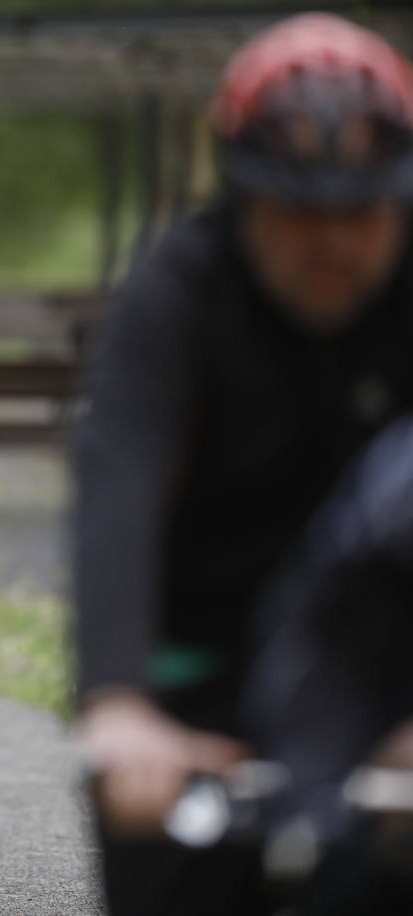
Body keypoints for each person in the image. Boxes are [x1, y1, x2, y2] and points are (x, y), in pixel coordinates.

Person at [73, 13, 413, 913]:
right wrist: (115, 701)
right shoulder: (176, 292)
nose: (333, 247)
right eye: (300, 214)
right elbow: (118, 478)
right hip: (198, 680)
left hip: (383, 670)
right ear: (242, 202)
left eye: (363, 213)